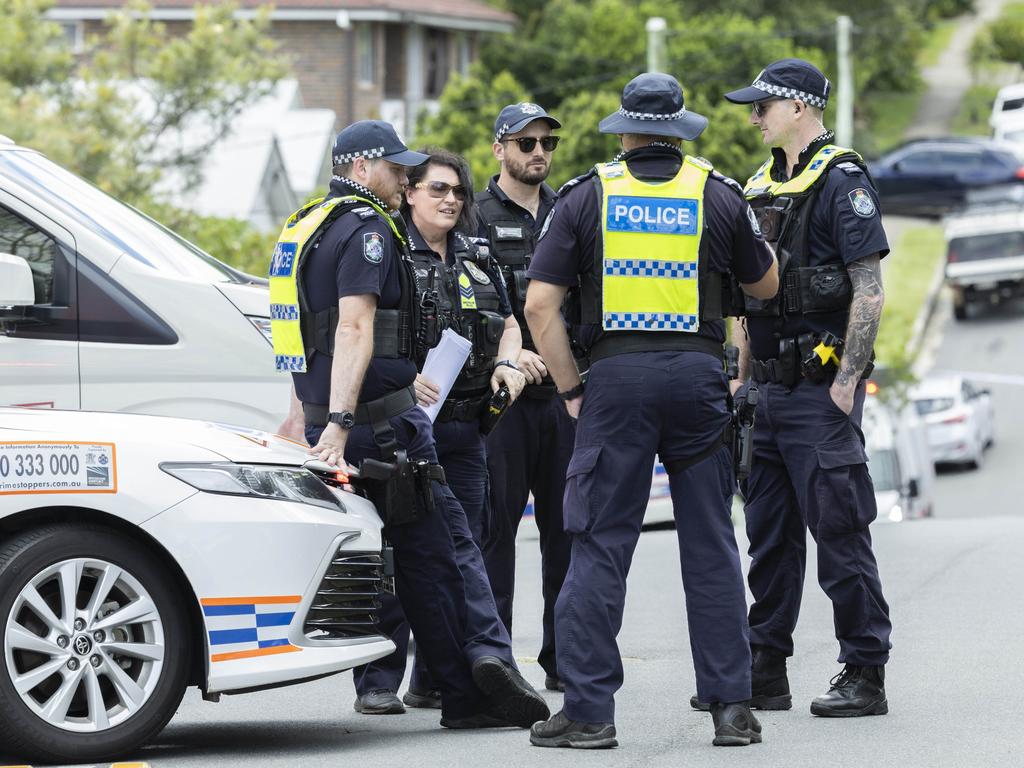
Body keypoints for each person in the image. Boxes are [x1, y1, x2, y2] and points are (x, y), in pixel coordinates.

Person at [522, 73, 779, 749]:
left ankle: (589, 713)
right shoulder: (718, 194)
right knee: (711, 546)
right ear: (681, 129)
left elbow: (540, 306)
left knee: (601, 546)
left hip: (613, 384)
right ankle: (731, 709)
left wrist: (573, 389)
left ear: (626, 130)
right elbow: (766, 284)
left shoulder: (586, 196)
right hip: (698, 380)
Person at [268, 120, 548, 729]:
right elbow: (353, 327)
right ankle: (473, 683)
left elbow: (293, 332)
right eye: (396, 169)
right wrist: (340, 423)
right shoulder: (369, 230)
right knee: (447, 551)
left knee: (414, 557)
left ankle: (456, 688)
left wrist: (305, 414)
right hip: (385, 425)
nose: (403, 180)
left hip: (339, 420)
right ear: (361, 168)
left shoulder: (303, 226)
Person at [694, 58, 892, 717]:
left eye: (763, 107)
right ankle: (765, 668)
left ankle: (864, 670)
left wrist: (847, 384)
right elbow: (752, 295)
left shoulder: (842, 181)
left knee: (839, 532)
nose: (753, 117)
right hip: (770, 394)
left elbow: (869, 288)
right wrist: (744, 379)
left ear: (800, 107)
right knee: (770, 537)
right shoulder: (758, 186)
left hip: (820, 390)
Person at [351, 148, 530, 713]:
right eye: (437, 189)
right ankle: (378, 681)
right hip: (400, 433)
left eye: (457, 191)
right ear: (409, 194)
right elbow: (356, 333)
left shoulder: (478, 256)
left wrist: (508, 360)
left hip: (466, 431)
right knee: (393, 556)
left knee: (463, 552)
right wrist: (403, 382)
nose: (451, 199)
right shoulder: (386, 252)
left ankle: (439, 676)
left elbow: (509, 322)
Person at [474, 102, 573, 693]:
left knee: (568, 533)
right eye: (526, 142)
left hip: (562, 398)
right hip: (499, 399)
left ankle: (564, 660)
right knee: (494, 536)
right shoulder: (473, 213)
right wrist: (502, 358)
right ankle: (495, 664)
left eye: (547, 143)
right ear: (500, 149)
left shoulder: (571, 209)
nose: (538, 152)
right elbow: (467, 299)